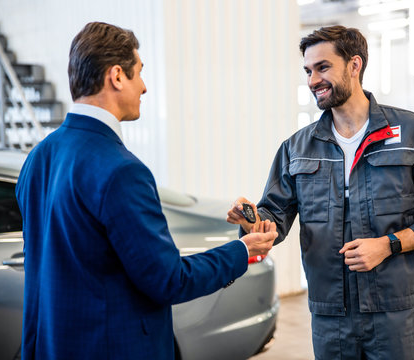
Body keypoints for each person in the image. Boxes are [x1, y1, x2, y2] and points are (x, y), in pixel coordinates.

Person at [15, 22, 277, 360]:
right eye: (139, 73)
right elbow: (168, 280)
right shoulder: (122, 170)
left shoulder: (38, 157)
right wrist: (242, 252)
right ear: (117, 76)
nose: (144, 87)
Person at [227, 25, 414, 359]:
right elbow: (274, 219)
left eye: (323, 67)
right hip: (330, 312)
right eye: (308, 71)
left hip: (392, 309)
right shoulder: (297, 148)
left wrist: (388, 245)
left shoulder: (412, 133)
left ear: (354, 65)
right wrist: (252, 220)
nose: (313, 80)